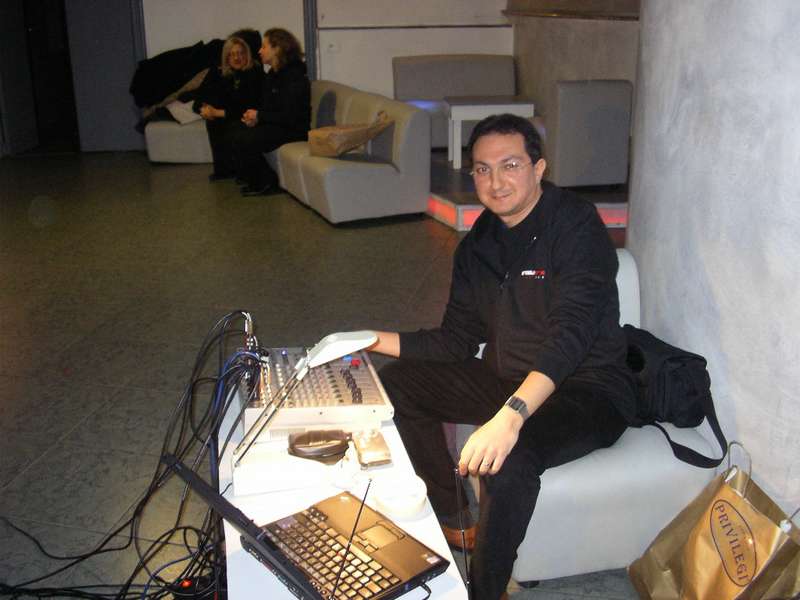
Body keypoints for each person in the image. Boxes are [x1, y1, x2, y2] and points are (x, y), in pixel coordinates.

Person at [368, 114, 637, 599]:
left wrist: (511, 416)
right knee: (400, 384)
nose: (495, 181)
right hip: (507, 378)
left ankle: (485, 591)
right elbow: (455, 341)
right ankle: (454, 514)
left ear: (539, 168)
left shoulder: (574, 224)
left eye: (510, 165)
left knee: (507, 459)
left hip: (587, 389)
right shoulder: (478, 247)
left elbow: (572, 335)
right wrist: (369, 339)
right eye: (482, 169)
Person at [233, 28, 310, 196]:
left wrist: (260, 116)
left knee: (248, 138)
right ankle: (255, 177)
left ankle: (267, 182)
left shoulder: (294, 76)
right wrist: (255, 118)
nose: (259, 51)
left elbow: (290, 115)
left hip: (294, 129)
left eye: (264, 47)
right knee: (237, 130)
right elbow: (269, 107)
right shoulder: (273, 75)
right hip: (278, 124)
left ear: (277, 49)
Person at [192, 35, 262, 181]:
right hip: (226, 115)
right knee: (212, 121)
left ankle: (239, 170)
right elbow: (199, 99)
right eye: (232, 54)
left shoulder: (254, 72)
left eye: (241, 53)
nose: (237, 58)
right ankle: (223, 171)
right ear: (226, 57)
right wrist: (204, 110)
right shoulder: (217, 72)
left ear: (247, 55)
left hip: (246, 117)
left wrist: (217, 112)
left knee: (232, 124)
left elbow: (247, 106)